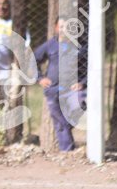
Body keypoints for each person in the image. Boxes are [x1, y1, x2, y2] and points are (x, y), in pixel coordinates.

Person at [33, 18, 87, 152]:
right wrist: (40, 78)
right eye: (61, 27)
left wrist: (82, 83)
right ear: (56, 28)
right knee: (59, 124)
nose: (64, 30)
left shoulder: (79, 47)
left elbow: (89, 68)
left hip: (72, 90)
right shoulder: (50, 45)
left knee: (79, 106)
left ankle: (67, 125)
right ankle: (67, 152)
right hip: (53, 90)